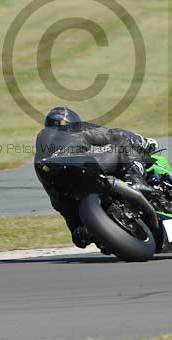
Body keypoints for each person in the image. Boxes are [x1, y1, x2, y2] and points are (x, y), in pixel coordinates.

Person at [34, 106, 159, 249]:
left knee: (75, 225)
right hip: (78, 168)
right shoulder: (76, 128)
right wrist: (144, 141)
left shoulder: (41, 145)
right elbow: (114, 135)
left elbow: (61, 206)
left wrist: (80, 232)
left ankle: (93, 232)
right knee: (122, 144)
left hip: (56, 183)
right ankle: (136, 180)